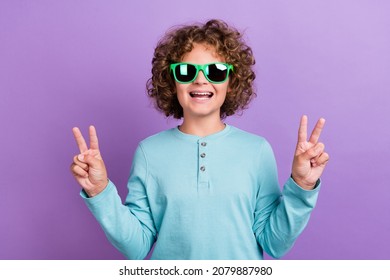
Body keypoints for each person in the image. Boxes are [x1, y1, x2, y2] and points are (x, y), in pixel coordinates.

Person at [70, 19, 329, 260]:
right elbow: (136, 247)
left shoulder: (257, 151)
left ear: (231, 80)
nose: (200, 79)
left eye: (215, 71)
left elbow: (274, 243)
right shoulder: (149, 152)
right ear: (172, 81)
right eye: (185, 70)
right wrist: (99, 191)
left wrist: (302, 186)